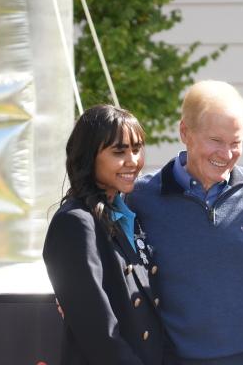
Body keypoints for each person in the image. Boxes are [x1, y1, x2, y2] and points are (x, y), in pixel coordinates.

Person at [126, 80, 243, 365]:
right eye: (216, 141)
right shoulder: (141, 197)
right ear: (185, 132)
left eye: (236, 142)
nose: (226, 154)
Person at [43, 104, 166, 364]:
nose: (133, 160)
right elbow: (99, 334)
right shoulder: (74, 223)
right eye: (119, 151)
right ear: (89, 156)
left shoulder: (126, 213)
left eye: (136, 148)